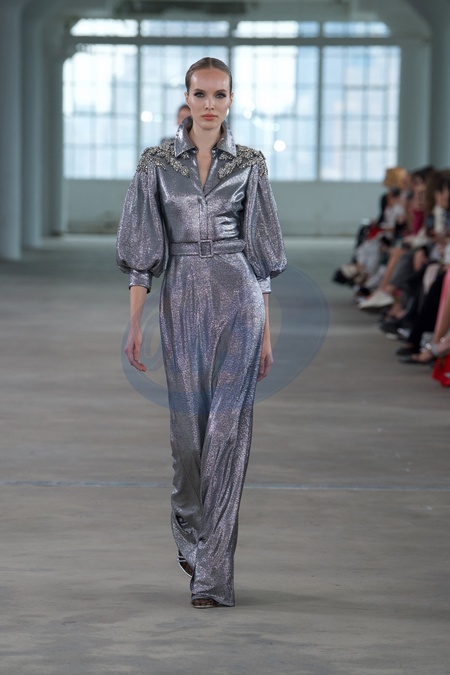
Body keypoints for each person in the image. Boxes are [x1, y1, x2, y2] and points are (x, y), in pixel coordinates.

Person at [116, 57, 287, 609]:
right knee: (188, 437)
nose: (210, 104)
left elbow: (262, 254)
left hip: (240, 299)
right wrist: (135, 321)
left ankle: (213, 575)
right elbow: (142, 249)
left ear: (231, 100)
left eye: (220, 95)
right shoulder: (156, 163)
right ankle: (192, 535)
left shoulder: (251, 164)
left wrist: (265, 332)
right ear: (186, 97)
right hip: (183, 298)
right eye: (201, 93)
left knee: (228, 437)